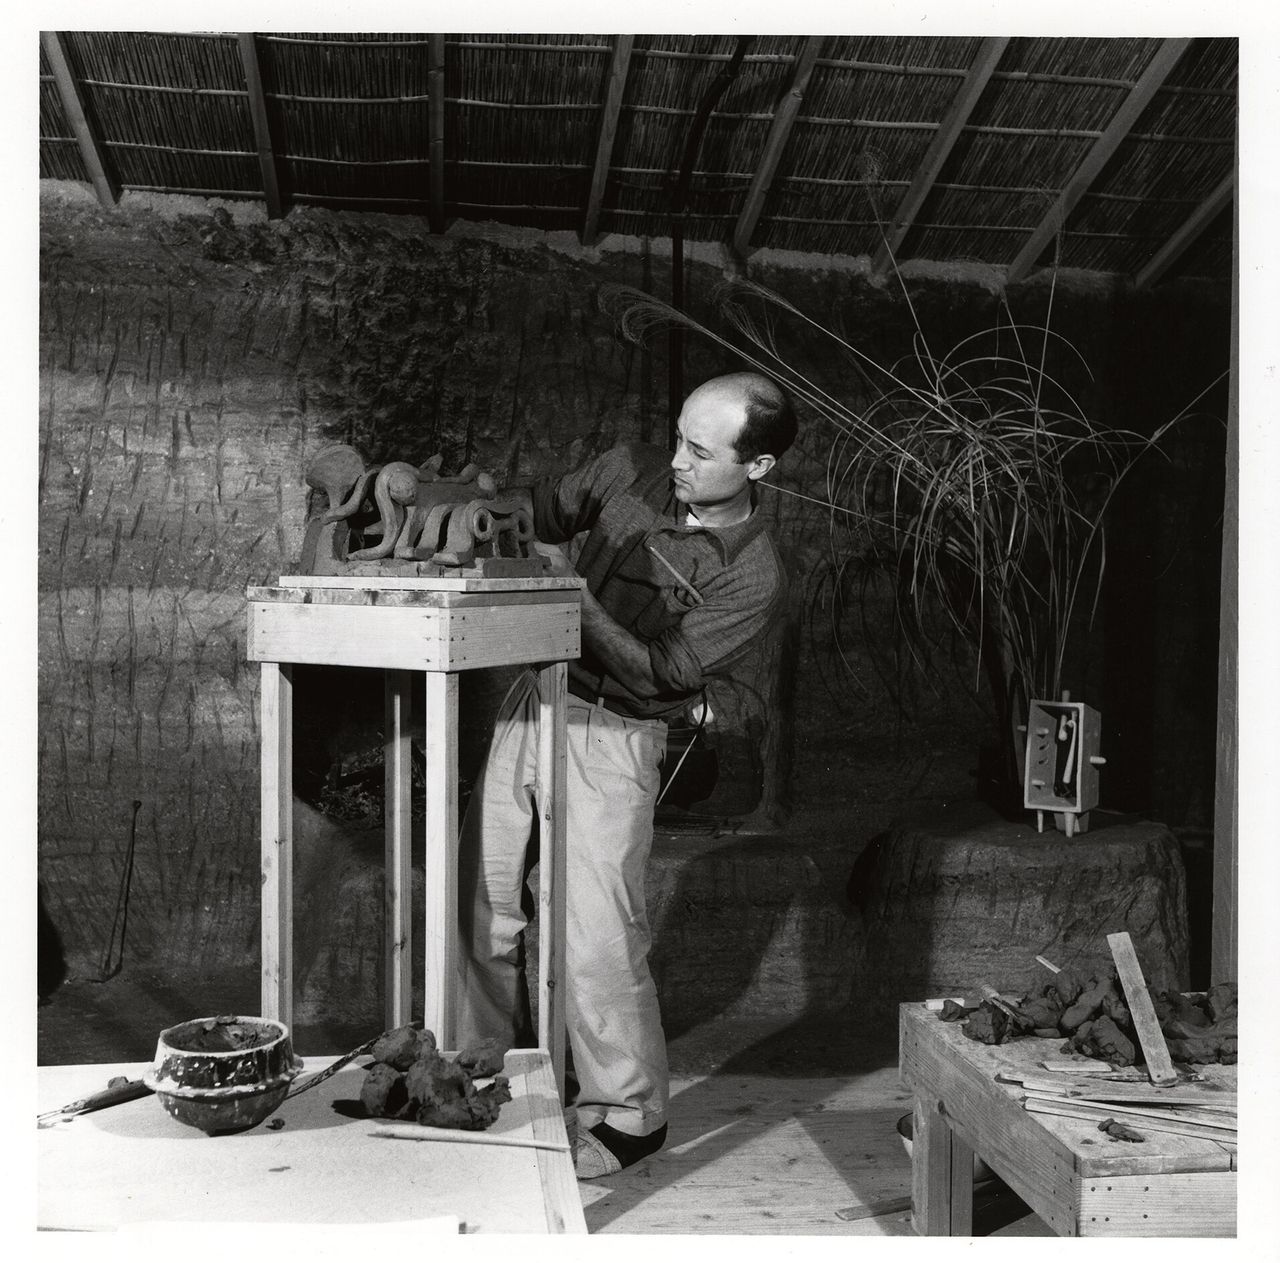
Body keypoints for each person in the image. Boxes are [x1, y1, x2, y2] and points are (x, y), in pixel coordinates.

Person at [455, 371, 798, 1178]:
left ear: (758, 468)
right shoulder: (626, 469)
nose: (675, 459)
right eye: (678, 436)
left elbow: (655, 675)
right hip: (534, 693)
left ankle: (628, 1112)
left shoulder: (752, 575)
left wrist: (566, 591)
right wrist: (480, 508)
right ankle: (479, 1069)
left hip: (618, 732)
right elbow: (538, 511)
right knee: (488, 894)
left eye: (699, 450)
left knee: (596, 930)